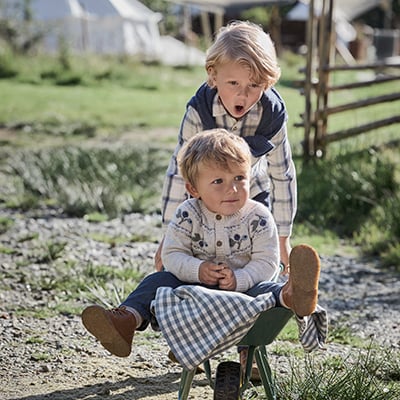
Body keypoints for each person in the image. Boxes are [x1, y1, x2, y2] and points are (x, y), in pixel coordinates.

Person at [81, 129, 321, 360]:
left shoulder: (258, 217)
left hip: (244, 293)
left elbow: (267, 262)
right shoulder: (187, 214)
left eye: (240, 177)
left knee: (267, 290)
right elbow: (172, 254)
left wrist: (239, 279)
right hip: (192, 294)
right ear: (193, 189)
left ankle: (293, 296)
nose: (233, 188)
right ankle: (126, 320)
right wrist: (198, 270)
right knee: (157, 281)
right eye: (218, 181)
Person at [156, 20, 296, 274]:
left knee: (260, 265)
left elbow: (282, 173)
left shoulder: (271, 115)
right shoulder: (199, 112)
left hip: (251, 195)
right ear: (213, 75)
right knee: (192, 263)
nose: (243, 95)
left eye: (254, 86)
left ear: (267, 83)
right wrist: (169, 234)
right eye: (233, 84)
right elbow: (178, 170)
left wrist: (283, 237)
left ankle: (277, 297)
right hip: (204, 199)